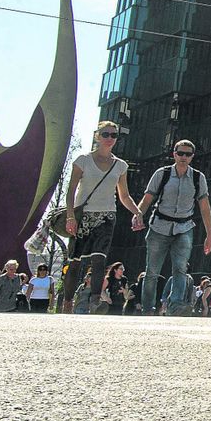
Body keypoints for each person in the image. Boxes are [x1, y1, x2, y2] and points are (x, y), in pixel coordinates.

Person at [61, 122, 144, 310]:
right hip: (83, 215)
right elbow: (71, 190)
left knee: (99, 259)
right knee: (74, 261)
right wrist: (70, 216)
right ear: (97, 136)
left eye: (113, 135)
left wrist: (137, 212)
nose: (109, 138)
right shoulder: (83, 160)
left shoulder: (120, 165)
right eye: (105, 134)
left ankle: (95, 302)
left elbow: (124, 195)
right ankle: (67, 302)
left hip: (107, 216)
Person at [135, 139, 211, 315]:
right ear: (174, 154)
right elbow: (148, 198)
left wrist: (210, 235)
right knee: (152, 272)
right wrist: (138, 214)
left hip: (184, 227)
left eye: (187, 154)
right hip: (159, 227)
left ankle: (175, 306)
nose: (183, 157)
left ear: (192, 157)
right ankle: (148, 309)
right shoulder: (161, 174)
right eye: (180, 153)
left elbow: (205, 207)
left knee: (180, 269)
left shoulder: (197, 177)